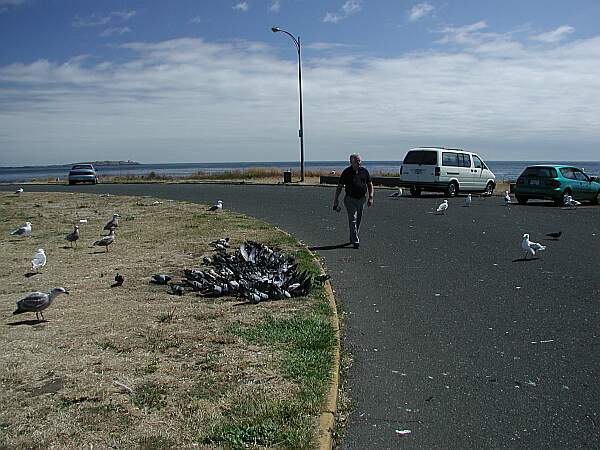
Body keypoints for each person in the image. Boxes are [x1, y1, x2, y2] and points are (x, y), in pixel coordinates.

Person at [332, 153, 374, 249]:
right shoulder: (346, 172)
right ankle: (356, 241)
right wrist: (336, 200)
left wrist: (370, 197)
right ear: (352, 162)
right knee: (353, 219)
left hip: (361, 199)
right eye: (357, 161)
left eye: (360, 161)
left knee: (358, 220)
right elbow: (339, 187)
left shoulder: (364, 171)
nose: (359, 163)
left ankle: (353, 237)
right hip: (350, 199)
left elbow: (370, 184)